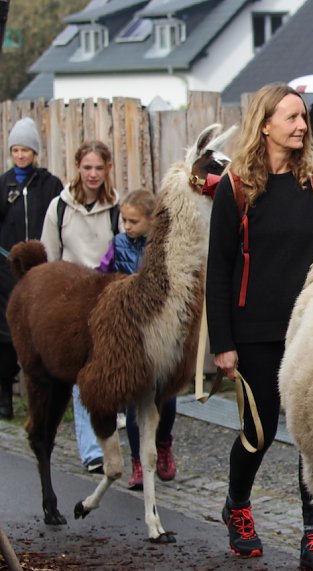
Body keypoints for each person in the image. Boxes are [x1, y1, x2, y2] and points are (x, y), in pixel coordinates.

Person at [206, 83, 313, 564]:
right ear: (265, 125)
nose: (302, 126)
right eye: (291, 117)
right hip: (254, 332)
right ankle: (238, 506)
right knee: (259, 432)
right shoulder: (237, 186)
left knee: (312, 437)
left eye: (303, 117)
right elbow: (219, 269)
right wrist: (223, 343)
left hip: (308, 332)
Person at [41, 140, 120, 474]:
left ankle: (110, 440)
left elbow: (124, 254)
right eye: (87, 167)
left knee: (107, 372)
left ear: (108, 169)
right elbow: (49, 256)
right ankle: (91, 450)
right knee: (80, 374)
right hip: (70, 302)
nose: (93, 174)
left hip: (106, 300)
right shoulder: (60, 208)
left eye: (99, 168)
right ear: (78, 168)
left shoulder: (117, 209)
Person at [95, 189, 177, 489]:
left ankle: (163, 444)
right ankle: (139, 463)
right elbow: (102, 274)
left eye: (133, 221)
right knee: (135, 399)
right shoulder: (118, 244)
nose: (127, 226)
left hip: (160, 329)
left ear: (151, 220)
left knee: (164, 395)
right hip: (129, 331)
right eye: (124, 221)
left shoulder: (164, 246)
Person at [0, 118, 63, 420]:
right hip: (7, 273)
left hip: (41, 272)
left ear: (34, 152)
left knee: (41, 332)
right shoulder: (4, 184)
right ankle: (5, 396)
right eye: (16, 150)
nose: (21, 155)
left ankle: (45, 400)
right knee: (6, 335)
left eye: (25, 150)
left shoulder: (49, 184)